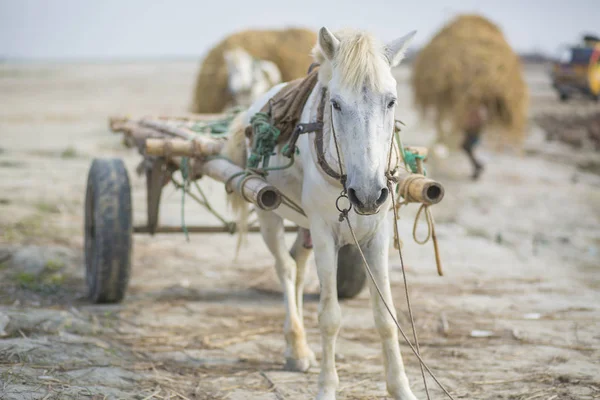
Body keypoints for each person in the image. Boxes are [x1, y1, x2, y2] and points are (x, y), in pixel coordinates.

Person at [462, 103, 488, 180]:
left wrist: (470, 128)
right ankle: (477, 166)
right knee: (466, 148)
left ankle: (478, 166)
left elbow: (477, 122)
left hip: (473, 134)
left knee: (467, 148)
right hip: (472, 133)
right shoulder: (477, 109)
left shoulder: (479, 110)